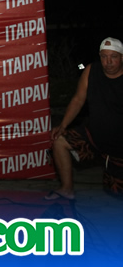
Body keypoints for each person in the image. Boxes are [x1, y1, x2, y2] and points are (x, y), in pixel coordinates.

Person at [46, 37, 123, 200]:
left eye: (113, 57)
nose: (108, 62)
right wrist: (63, 125)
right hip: (94, 137)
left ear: (122, 58)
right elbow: (78, 100)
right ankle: (67, 189)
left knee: (115, 194)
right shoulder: (91, 70)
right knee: (59, 140)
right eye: (104, 56)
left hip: (118, 147)